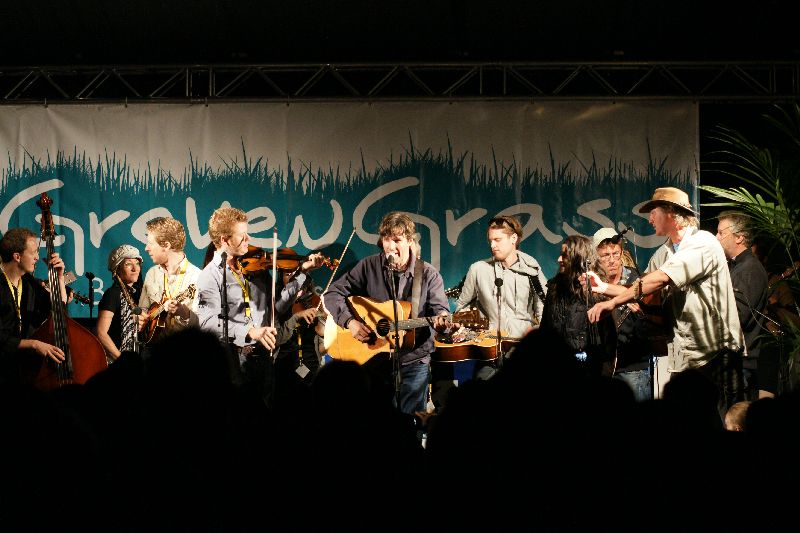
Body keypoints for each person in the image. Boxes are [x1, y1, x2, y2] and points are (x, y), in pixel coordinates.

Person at [587, 186, 745, 419]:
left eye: (654, 212)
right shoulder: (665, 252)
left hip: (715, 355)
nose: (650, 219)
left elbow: (660, 279)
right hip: (686, 358)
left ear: (671, 212)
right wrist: (604, 288)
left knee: (721, 422)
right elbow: (643, 288)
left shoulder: (703, 242)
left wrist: (612, 303)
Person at [322, 211, 452, 416]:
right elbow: (332, 293)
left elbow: (441, 311)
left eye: (397, 240)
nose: (391, 247)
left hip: (413, 361)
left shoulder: (428, 274)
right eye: (386, 240)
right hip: (374, 361)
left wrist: (442, 322)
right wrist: (350, 322)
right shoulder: (368, 266)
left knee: (410, 423)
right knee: (373, 422)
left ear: (410, 241)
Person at [196, 206, 322, 407]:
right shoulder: (210, 276)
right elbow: (208, 323)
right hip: (235, 359)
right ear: (224, 240)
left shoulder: (256, 269)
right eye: (242, 236)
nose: (248, 239)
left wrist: (303, 273)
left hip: (264, 355)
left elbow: (277, 308)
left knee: (265, 411)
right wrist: (250, 331)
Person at [455, 215, 548, 342]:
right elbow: (461, 308)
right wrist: (475, 326)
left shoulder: (532, 270)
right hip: (488, 345)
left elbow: (544, 313)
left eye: (497, 240)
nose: (492, 245)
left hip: (523, 346)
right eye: (490, 240)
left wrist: (537, 336)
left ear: (513, 238)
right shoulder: (477, 269)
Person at [716, 210, 773, 400]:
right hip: (734, 362)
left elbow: (738, 317)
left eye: (721, 233)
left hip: (741, 365)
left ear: (739, 237)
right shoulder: (737, 266)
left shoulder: (750, 269)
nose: (717, 237)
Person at [0, 227, 69, 383]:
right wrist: (34, 344)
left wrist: (59, 279)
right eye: (34, 253)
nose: (38, 257)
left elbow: (59, 310)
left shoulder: (30, 284)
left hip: (24, 371)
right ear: (17, 256)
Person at [540, 234, 615, 376]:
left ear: (578, 258)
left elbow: (608, 340)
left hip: (588, 371)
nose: (559, 259)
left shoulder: (596, 290)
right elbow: (545, 329)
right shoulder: (554, 287)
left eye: (564, 255)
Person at [593, 227, 654, 400]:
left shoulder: (637, 280)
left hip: (633, 367)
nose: (612, 260)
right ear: (595, 257)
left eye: (616, 254)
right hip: (601, 366)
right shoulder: (592, 282)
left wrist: (640, 310)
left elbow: (651, 320)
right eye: (605, 255)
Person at [138, 217, 201, 344]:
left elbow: (205, 324)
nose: (146, 248)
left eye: (150, 243)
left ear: (166, 245)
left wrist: (185, 313)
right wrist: (140, 318)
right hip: (153, 348)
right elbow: (142, 310)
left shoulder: (197, 277)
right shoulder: (152, 273)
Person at [96, 244, 144, 361]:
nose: (135, 268)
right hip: (116, 362)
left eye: (137, 263)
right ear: (117, 269)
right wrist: (121, 361)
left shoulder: (137, 295)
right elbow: (101, 333)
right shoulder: (113, 294)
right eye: (128, 264)